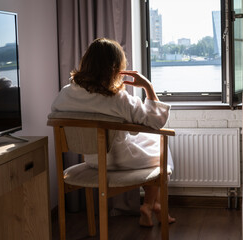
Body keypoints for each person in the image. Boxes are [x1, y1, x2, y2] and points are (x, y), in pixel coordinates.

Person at [51, 38, 175, 227]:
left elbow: (54, 115)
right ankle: (152, 204)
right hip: (119, 160)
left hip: (92, 161)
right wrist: (147, 85)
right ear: (116, 68)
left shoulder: (65, 94)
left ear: (86, 62)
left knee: (152, 143)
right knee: (162, 148)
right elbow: (156, 121)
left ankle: (152, 205)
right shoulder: (118, 99)